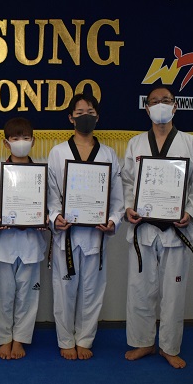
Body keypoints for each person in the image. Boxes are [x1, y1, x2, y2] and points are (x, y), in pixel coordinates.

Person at [122, 86, 193, 369]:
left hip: (176, 230)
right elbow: (126, 182)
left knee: (173, 293)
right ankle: (143, 342)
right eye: (154, 101)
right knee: (140, 289)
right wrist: (128, 207)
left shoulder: (192, 144)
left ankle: (169, 347)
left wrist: (190, 212)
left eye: (166, 100)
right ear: (147, 108)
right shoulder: (135, 144)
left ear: (175, 106)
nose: (160, 105)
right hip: (144, 229)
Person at [47, 93, 124, 360]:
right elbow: (51, 195)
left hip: (95, 235)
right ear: (70, 118)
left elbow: (117, 197)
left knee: (92, 290)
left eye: (90, 112)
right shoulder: (57, 152)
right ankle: (65, 339)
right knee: (64, 290)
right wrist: (55, 216)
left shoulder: (109, 154)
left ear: (97, 117)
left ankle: (85, 338)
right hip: (67, 234)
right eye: (79, 113)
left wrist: (113, 220)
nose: (85, 117)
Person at [0, 117, 48, 360]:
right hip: (4, 241)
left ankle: (20, 339)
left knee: (28, 294)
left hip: (31, 241)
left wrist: (45, 215)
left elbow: (50, 202)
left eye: (25, 138)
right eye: (15, 138)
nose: (21, 142)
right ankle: (3, 338)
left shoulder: (42, 171)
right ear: (6, 143)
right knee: (2, 294)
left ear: (33, 141)